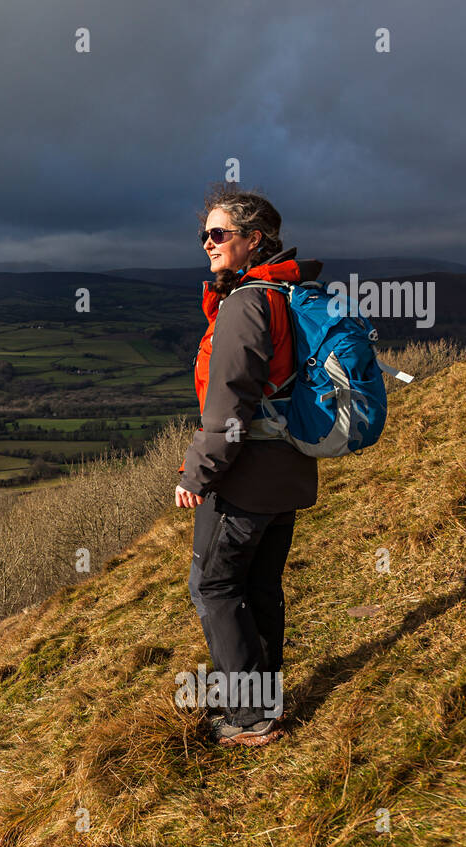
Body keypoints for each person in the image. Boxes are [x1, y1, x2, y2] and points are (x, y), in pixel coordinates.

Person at [174, 185, 320, 747]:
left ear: (253, 240)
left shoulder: (246, 304)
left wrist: (197, 473)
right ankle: (265, 701)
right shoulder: (283, 294)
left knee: (213, 586)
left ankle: (248, 718)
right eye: (204, 235)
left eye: (219, 234)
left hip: (245, 476)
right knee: (258, 587)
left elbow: (229, 401)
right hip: (286, 470)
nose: (208, 244)